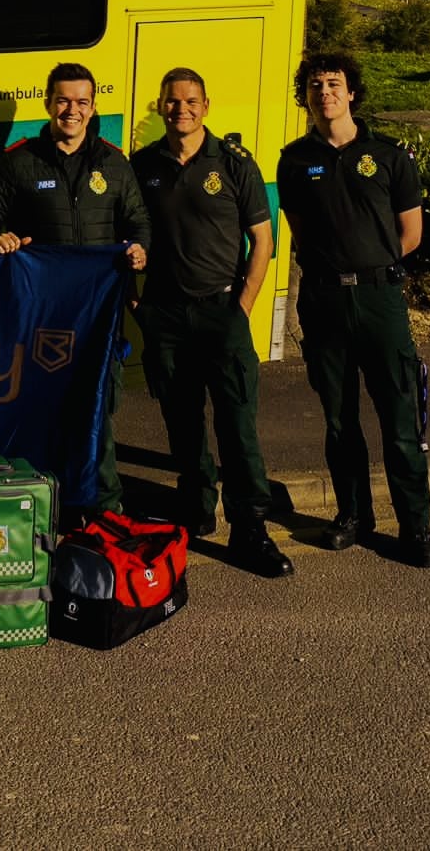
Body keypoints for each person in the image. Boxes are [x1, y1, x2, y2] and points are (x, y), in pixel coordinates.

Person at [276, 51, 430, 568]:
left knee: (400, 420)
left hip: (379, 301)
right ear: (306, 96)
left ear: (351, 94)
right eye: (314, 85)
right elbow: (301, 232)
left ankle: (416, 528)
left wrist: (368, 265)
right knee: (339, 420)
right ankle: (353, 516)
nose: (324, 92)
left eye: (334, 83)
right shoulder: (295, 159)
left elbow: (409, 235)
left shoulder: (389, 156)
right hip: (324, 302)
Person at [129, 67, 294, 578]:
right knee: (182, 422)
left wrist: (242, 305)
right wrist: (135, 305)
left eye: (192, 101)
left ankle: (251, 530)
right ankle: (196, 509)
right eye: (173, 101)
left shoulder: (233, 163)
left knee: (237, 426)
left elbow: (263, 241)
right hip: (165, 315)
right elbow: (124, 238)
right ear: (161, 107)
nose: (182, 109)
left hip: (222, 310)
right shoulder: (142, 166)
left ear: (207, 105)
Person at [0, 62, 149, 516]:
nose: (72, 110)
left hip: (99, 320)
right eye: (63, 100)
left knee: (98, 418)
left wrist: (141, 250)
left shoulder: (114, 162)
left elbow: (139, 221)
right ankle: (38, 513)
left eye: (81, 102)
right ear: (48, 103)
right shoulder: (21, 160)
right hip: (40, 320)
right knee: (39, 417)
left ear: (92, 107)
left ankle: (103, 513)